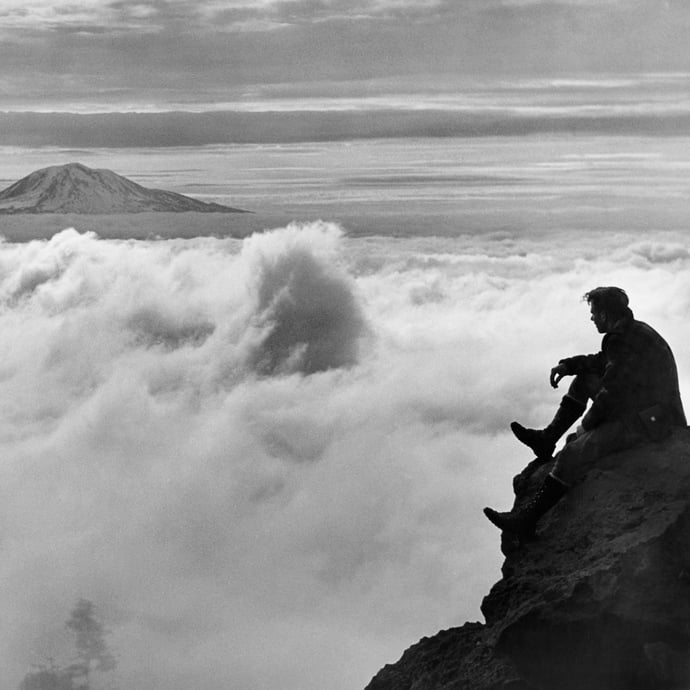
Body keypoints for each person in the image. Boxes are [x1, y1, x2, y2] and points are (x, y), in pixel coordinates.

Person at [484, 286, 686, 540]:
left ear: (604, 314)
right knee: (585, 379)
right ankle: (548, 438)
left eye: (593, 312)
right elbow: (603, 363)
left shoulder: (623, 339)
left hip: (650, 422)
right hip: (646, 410)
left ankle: (528, 519)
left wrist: (586, 427)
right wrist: (569, 365)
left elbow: (613, 395)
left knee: (573, 453)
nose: (591, 318)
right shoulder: (631, 331)